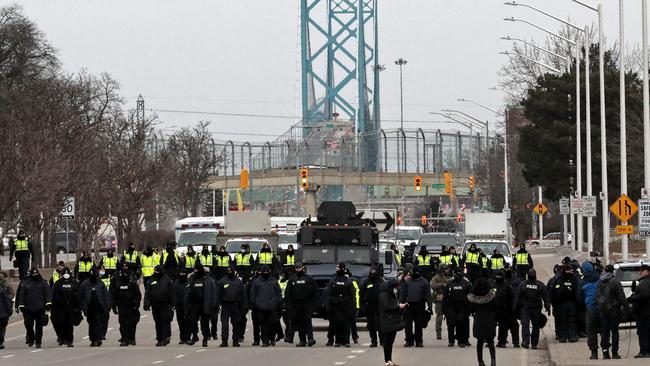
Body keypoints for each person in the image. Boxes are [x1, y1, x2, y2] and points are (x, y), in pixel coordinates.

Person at [596, 264, 630, 359]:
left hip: (603, 311)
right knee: (614, 332)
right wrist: (628, 309)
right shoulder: (615, 281)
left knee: (604, 332)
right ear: (612, 272)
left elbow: (597, 296)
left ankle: (605, 353)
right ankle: (615, 353)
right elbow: (622, 297)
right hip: (614, 311)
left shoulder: (599, 281)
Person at [513, 269, 549, 349]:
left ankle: (529, 342)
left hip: (529, 308)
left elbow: (517, 297)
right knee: (532, 326)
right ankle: (531, 343)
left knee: (528, 326)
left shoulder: (523, 284)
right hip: (531, 308)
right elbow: (545, 297)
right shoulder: (539, 284)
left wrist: (514, 308)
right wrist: (547, 307)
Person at [16, 268, 51, 348]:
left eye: (36, 274)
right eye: (33, 275)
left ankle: (38, 342)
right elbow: (22, 295)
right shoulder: (26, 284)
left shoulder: (43, 283)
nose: (35, 276)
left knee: (39, 326)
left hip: (40, 308)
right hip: (28, 308)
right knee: (28, 324)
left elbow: (48, 294)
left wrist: (48, 303)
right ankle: (31, 337)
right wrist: (21, 305)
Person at [185, 263, 217, 347]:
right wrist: (187, 303)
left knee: (205, 323)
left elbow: (213, 293)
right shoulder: (192, 279)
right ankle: (195, 336)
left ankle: (205, 338)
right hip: (194, 304)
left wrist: (213, 305)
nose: (195, 271)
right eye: (194, 270)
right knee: (192, 321)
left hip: (205, 304)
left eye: (196, 270)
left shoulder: (208, 280)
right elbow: (188, 291)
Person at [286, 262, 318, 347]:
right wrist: (289, 305)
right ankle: (302, 340)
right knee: (300, 323)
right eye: (296, 267)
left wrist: (314, 304)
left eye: (299, 267)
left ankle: (310, 339)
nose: (298, 269)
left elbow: (315, 291)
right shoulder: (292, 279)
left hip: (307, 303)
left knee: (307, 321)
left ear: (302, 268)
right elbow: (288, 293)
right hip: (296, 304)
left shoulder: (309, 278)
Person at [324, 262, 356, 347]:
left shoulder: (348, 280)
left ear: (342, 268)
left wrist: (353, 306)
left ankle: (346, 341)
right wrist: (328, 304)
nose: (336, 268)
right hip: (335, 306)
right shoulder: (333, 280)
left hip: (346, 306)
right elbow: (328, 292)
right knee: (335, 323)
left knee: (345, 324)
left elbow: (353, 294)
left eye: (338, 267)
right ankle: (337, 341)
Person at [468, 278, 498, 366]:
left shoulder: (474, 298)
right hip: (489, 320)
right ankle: (493, 360)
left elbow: (471, 309)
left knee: (479, 342)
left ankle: (480, 361)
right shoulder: (491, 297)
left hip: (479, 320)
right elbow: (496, 307)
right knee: (490, 341)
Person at [216, 265, 248, 347]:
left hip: (236, 305)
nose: (230, 272)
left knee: (236, 323)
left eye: (231, 271)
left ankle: (235, 340)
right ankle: (224, 340)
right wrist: (217, 304)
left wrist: (244, 306)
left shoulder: (238, 281)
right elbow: (218, 294)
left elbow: (243, 294)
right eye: (228, 271)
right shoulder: (222, 281)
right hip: (225, 305)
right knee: (224, 324)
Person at [250, 265, 281, 347]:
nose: (266, 273)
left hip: (272, 306)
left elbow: (278, 293)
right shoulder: (257, 282)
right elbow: (253, 294)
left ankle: (272, 338)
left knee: (273, 323)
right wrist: (254, 303)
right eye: (264, 272)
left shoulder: (273, 281)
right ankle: (265, 341)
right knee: (263, 325)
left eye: (267, 272)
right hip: (260, 307)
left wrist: (277, 302)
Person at [399, 268, 431, 347]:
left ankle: (419, 341)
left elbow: (428, 295)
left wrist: (430, 307)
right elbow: (403, 294)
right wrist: (401, 304)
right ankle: (409, 341)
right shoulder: (408, 282)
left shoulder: (424, 282)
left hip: (419, 305)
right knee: (408, 325)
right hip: (408, 305)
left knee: (418, 324)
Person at [79, 266, 110, 347]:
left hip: (99, 307)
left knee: (98, 323)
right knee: (91, 324)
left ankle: (98, 338)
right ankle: (93, 339)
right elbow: (81, 297)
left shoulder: (100, 283)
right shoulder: (85, 284)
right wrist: (83, 308)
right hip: (89, 308)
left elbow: (105, 295)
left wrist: (107, 306)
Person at [144, 265, 175, 346]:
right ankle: (160, 339)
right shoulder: (151, 280)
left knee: (165, 320)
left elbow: (172, 292)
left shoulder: (167, 280)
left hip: (166, 304)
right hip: (155, 304)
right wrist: (146, 303)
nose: (156, 273)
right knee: (158, 322)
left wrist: (173, 304)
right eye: (155, 271)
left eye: (157, 271)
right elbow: (147, 292)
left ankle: (166, 336)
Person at [111, 266, 141, 347]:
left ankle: (132, 339)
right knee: (123, 324)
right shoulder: (118, 285)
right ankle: (124, 339)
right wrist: (114, 307)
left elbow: (138, 295)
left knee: (132, 323)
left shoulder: (133, 284)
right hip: (122, 306)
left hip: (131, 306)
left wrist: (136, 305)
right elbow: (114, 296)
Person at [379, 278, 405, 366]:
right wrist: (398, 306)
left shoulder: (391, 293)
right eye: (396, 287)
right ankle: (387, 360)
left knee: (390, 342)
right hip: (387, 320)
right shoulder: (384, 294)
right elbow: (387, 307)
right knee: (387, 342)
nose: (397, 288)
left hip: (391, 320)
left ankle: (389, 360)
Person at [552, 264, 580, 343]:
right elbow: (577, 291)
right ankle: (570, 336)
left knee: (564, 320)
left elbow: (554, 292)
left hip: (564, 303)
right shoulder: (573, 278)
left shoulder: (559, 278)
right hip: (568, 303)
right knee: (569, 320)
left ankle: (564, 337)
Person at [444, 269, 471, 348]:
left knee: (461, 323)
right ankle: (451, 341)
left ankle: (461, 341)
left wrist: (470, 308)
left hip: (462, 307)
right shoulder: (450, 284)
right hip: (451, 307)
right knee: (451, 324)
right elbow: (445, 297)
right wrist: (444, 309)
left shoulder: (466, 283)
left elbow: (471, 295)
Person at [51, 268, 79, 347]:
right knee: (61, 323)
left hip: (71, 306)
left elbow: (77, 295)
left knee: (69, 324)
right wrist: (54, 307)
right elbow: (54, 296)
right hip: (60, 307)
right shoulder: (58, 283)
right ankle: (62, 338)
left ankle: (70, 341)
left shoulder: (74, 282)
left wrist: (78, 307)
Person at [628, 263, 650, 358]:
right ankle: (647, 351)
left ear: (646, 272)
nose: (639, 272)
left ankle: (644, 351)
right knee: (647, 332)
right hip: (646, 311)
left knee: (643, 332)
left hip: (644, 312)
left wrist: (632, 298)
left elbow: (644, 295)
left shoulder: (645, 282)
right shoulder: (645, 281)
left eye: (641, 271)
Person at [581, 261, 601, 359]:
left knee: (591, 331)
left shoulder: (583, 281)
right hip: (602, 308)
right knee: (604, 331)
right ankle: (606, 353)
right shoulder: (600, 278)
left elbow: (579, 296)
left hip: (590, 308)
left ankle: (594, 353)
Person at [491, 270, 516, 348]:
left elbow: (512, 297)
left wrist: (511, 309)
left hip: (503, 310)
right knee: (491, 326)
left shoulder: (507, 285)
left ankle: (502, 341)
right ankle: (490, 340)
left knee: (503, 326)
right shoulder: (490, 283)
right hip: (492, 309)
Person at [361, 265, 384, 347]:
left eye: (374, 271)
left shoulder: (381, 281)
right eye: (372, 271)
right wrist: (362, 305)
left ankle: (382, 341)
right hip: (369, 305)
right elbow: (362, 293)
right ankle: (373, 341)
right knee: (371, 325)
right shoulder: (366, 282)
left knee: (380, 324)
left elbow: (385, 292)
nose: (373, 273)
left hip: (379, 305)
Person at [430, 265, 450, 340]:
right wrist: (442, 284)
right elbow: (432, 285)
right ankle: (438, 334)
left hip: (448, 299)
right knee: (439, 317)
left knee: (450, 317)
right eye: (446, 269)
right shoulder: (436, 277)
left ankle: (450, 333)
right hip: (439, 298)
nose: (447, 271)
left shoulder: (448, 277)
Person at [174, 267, 193, 345]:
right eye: (180, 273)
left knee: (188, 322)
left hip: (188, 305)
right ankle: (182, 338)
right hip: (179, 305)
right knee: (180, 322)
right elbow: (173, 293)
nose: (182, 275)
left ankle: (188, 338)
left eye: (183, 274)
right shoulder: (176, 282)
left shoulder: (189, 283)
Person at [0, 271, 13, 349]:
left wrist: (9, 299)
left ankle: (1, 338)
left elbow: (11, 294)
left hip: (5, 308)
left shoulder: (6, 285)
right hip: (3, 308)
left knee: (2, 326)